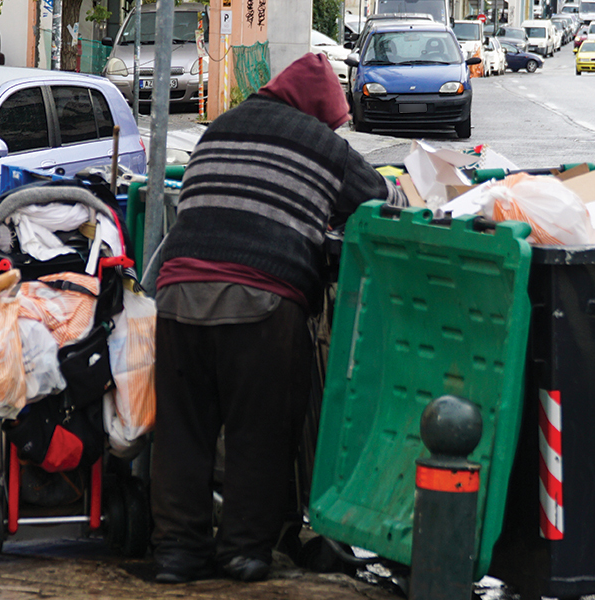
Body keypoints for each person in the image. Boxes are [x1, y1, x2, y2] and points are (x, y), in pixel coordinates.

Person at [149, 52, 406, 584]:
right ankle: (243, 552)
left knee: (183, 432)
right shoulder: (324, 146)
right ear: (320, 111)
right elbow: (385, 201)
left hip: (177, 299)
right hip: (261, 302)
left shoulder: (219, 128)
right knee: (259, 430)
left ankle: (177, 554)